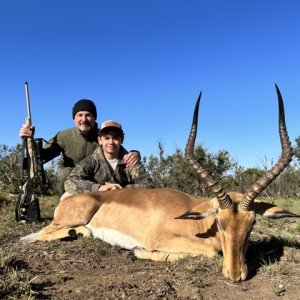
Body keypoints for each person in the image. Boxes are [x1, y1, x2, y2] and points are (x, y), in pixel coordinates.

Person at [19, 99, 140, 195]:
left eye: (88, 115)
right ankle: (68, 204)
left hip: (99, 181)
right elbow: (43, 157)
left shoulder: (105, 136)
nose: (83, 119)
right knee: (64, 173)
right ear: (74, 118)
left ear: (94, 118)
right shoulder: (63, 136)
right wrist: (29, 140)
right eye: (79, 115)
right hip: (74, 181)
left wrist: (135, 153)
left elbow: (120, 152)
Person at [63, 120, 154, 198]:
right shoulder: (91, 161)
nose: (111, 142)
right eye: (107, 138)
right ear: (100, 140)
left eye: (115, 138)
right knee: (66, 196)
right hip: (96, 200)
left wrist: (122, 190)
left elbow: (148, 184)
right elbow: (70, 182)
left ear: (122, 139)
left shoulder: (130, 160)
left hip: (124, 201)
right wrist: (98, 188)